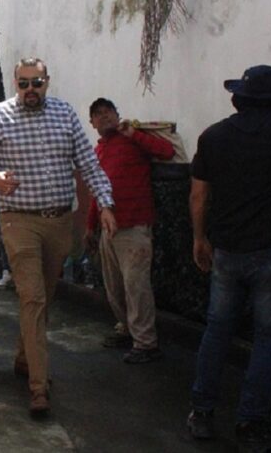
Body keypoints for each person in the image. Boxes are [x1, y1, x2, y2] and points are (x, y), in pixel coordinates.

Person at [0, 57, 116, 417]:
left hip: (58, 222)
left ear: (47, 82)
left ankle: (25, 357)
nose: (30, 90)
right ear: (15, 84)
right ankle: (39, 387)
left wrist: (106, 204)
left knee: (43, 298)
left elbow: (88, 164)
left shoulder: (65, 114)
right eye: (23, 83)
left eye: (36, 83)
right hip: (18, 221)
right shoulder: (0, 117)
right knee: (33, 297)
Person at [186, 65, 271, 450]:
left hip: (225, 250)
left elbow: (199, 196)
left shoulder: (213, 136)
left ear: (240, 98)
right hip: (270, 251)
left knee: (217, 330)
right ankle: (251, 421)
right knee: (268, 337)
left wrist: (199, 238)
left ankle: (202, 412)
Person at [86, 98, 175, 363]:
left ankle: (146, 343)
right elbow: (96, 192)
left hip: (134, 226)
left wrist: (134, 134)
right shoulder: (98, 150)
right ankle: (126, 328)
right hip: (108, 230)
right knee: (114, 288)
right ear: (92, 123)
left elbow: (167, 151)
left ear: (117, 115)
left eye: (108, 112)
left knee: (136, 287)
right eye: (98, 114)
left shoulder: (133, 140)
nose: (104, 117)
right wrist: (90, 226)